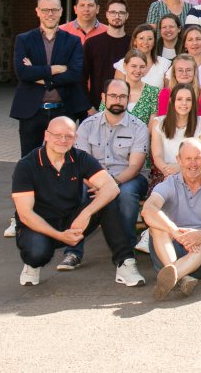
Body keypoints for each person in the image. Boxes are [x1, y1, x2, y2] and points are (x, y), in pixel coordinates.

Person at [12, 116, 144, 287]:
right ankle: (32, 265)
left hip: (71, 220)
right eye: (57, 135)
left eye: (68, 136)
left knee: (106, 201)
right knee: (37, 254)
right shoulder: (26, 165)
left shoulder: (80, 158)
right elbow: (25, 214)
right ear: (46, 135)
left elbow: (112, 187)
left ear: (75, 139)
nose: (62, 140)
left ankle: (125, 261)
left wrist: (86, 213)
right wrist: (60, 236)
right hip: (37, 225)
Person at [71, 79, 149, 264]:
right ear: (103, 97)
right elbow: (81, 166)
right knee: (79, 191)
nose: (117, 100)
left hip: (129, 178)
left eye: (122, 97)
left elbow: (134, 167)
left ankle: (126, 250)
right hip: (93, 180)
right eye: (113, 96)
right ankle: (72, 251)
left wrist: (109, 186)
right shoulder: (87, 126)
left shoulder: (139, 127)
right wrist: (97, 185)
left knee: (126, 194)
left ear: (128, 99)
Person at [140, 137, 201, 299]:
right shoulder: (168, 184)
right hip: (169, 249)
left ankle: (172, 275)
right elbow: (147, 210)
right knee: (157, 227)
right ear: (178, 160)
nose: (193, 164)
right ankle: (180, 276)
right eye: (188, 158)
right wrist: (175, 232)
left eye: (198, 158)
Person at [11, 0, 91, 160]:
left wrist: (38, 75)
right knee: (29, 160)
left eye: (54, 10)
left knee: (63, 160)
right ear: (37, 11)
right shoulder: (24, 39)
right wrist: (55, 69)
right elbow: (22, 73)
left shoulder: (72, 41)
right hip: (32, 111)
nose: (50, 14)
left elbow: (74, 74)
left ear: (61, 11)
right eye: (45, 10)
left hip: (63, 109)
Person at [149, 83, 201, 187]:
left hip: (193, 172)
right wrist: (167, 171)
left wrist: (180, 168)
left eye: (188, 100)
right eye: (179, 99)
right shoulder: (158, 123)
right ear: (172, 101)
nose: (184, 103)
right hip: (164, 173)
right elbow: (157, 155)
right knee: (169, 185)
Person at [83, 0, 131, 108]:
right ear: (107, 14)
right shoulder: (92, 43)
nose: (117, 16)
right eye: (113, 12)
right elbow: (81, 78)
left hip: (125, 107)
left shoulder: (133, 44)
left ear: (127, 15)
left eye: (121, 13)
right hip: (95, 106)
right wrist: (88, 107)